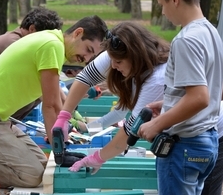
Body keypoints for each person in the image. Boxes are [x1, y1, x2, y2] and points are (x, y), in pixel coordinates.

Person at [0, 15, 107, 188]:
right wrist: (60, 151)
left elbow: (55, 99)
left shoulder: (50, 41)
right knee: (32, 176)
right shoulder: (51, 46)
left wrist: (63, 141)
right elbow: (51, 105)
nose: (86, 59)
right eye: (88, 50)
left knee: (43, 166)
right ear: (78, 33)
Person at [136, 0, 223, 195]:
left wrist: (157, 124)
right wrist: (167, 104)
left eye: (161, 3)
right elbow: (222, 90)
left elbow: (199, 97)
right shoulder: (211, 32)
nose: (163, 11)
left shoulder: (185, 39)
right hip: (207, 142)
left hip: (184, 145)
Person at [52, 21, 169, 169]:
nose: (113, 66)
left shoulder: (156, 80)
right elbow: (85, 78)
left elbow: (130, 130)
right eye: (111, 59)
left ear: (135, 56)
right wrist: (64, 116)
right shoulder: (118, 52)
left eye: (118, 61)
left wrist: (97, 158)